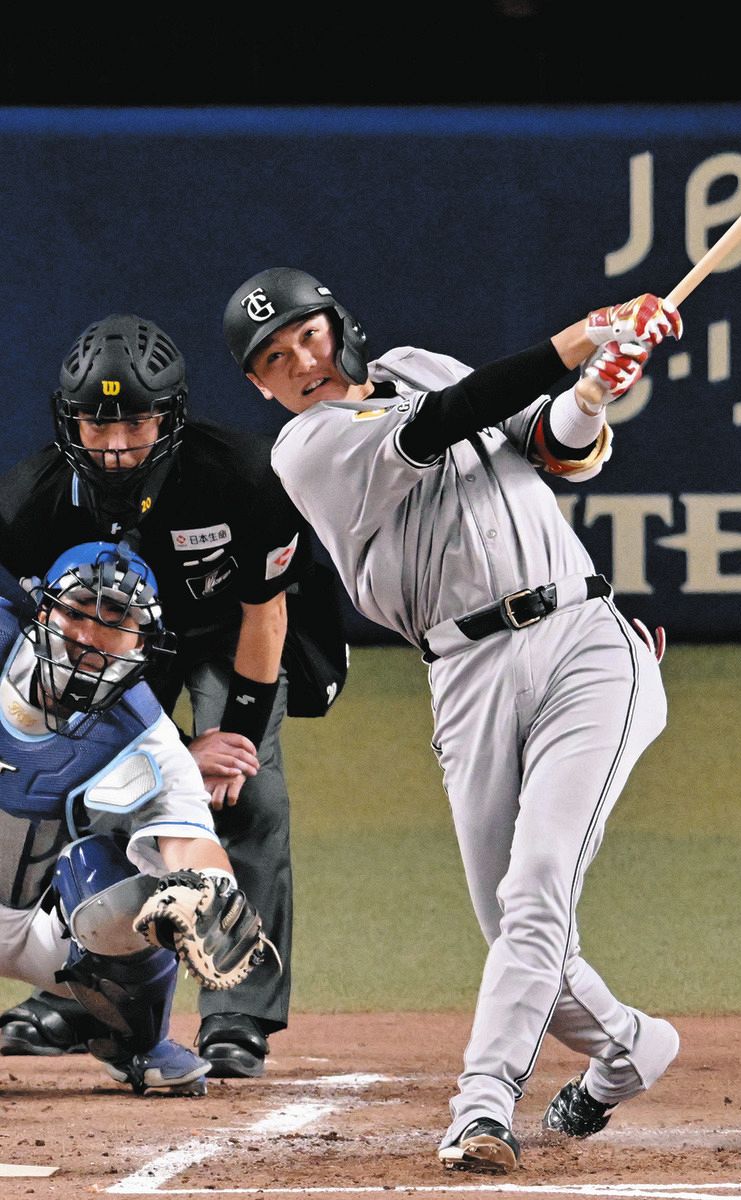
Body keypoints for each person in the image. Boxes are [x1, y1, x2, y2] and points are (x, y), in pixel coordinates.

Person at [221, 267, 683, 1172]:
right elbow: (447, 421)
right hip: (465, 677)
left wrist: (594, 391)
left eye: (308, 336)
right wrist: (589, 334)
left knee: (539, 881)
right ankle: (630, 1048)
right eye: (275, 359)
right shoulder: (306, 448)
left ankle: (482, 1107)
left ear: (336, 325)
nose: (302, 361)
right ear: (261, 386)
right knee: (513, 921)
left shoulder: (417, 364)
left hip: (586, 642)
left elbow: (554, 447)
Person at [0, 314, 347, 1078]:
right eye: (98, 424)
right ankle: (79, 994)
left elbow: (267, 611)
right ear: (70, 422)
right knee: (79, 791)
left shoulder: (245, 475)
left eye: (137, 420)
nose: (118, 442)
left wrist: (240, 738)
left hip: (229, 635)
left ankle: (238, 1015)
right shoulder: (29, 506)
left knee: (246, 800)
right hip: (111, 647)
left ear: (172, 416)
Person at [0, 539, 265, 1095]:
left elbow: (187, 839)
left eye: (115, 623)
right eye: (75, 612)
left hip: (36, 930)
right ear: (43, 610)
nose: (87, 638)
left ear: (142, 644)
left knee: (131, 891)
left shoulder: (146, 733)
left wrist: (213, 891)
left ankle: (136, 1045)